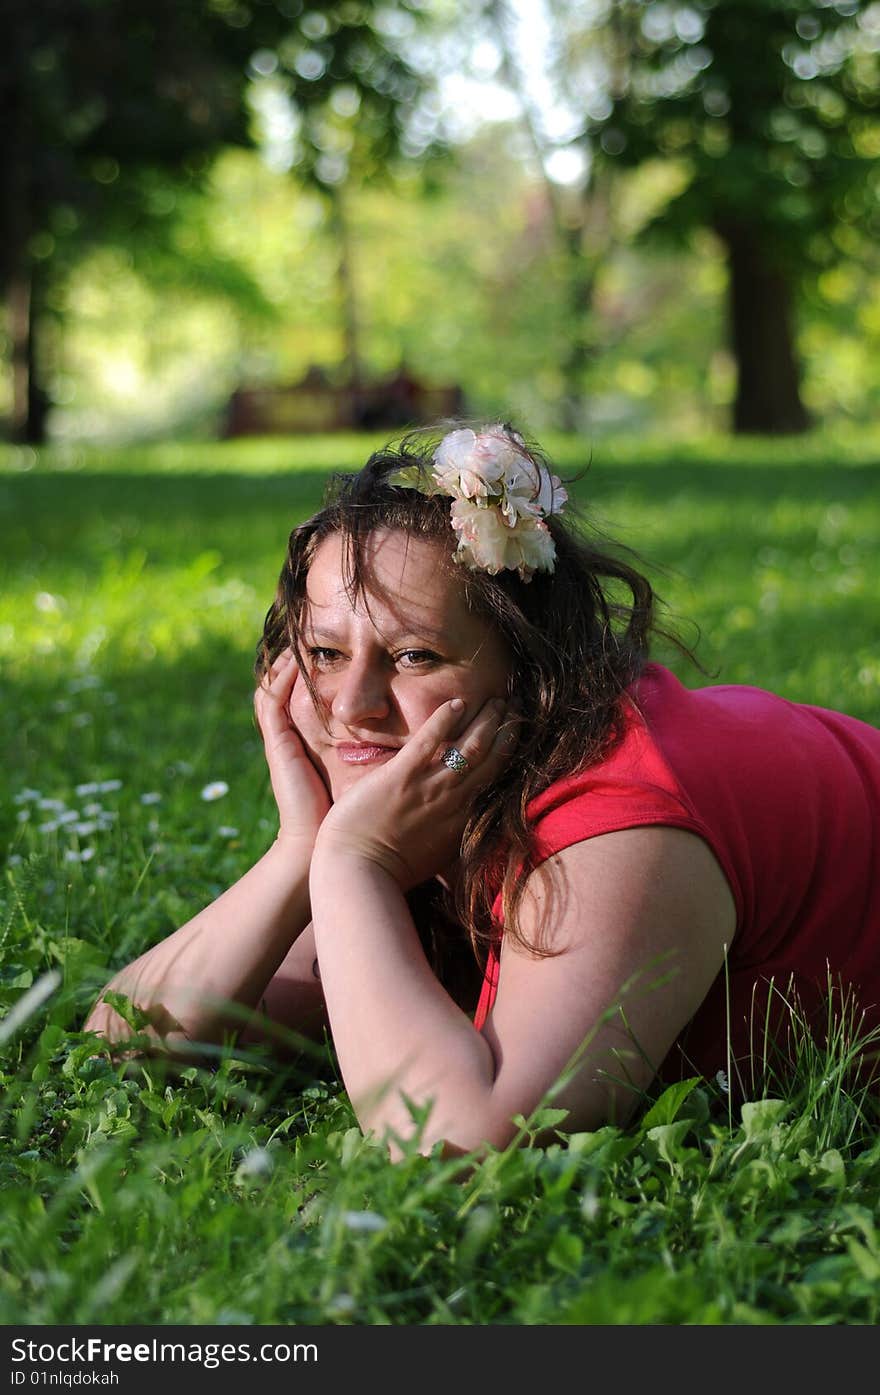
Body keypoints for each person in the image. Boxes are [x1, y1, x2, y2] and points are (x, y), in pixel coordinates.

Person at [84, 422, 880, 1156]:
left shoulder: (620, 816)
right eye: (325, 652)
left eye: (414, 656)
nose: (352, 706)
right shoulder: (433, 805)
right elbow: (120, 1045)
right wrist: (303, 850)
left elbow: (459, 1147)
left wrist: (351, 863)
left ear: (529, 670)